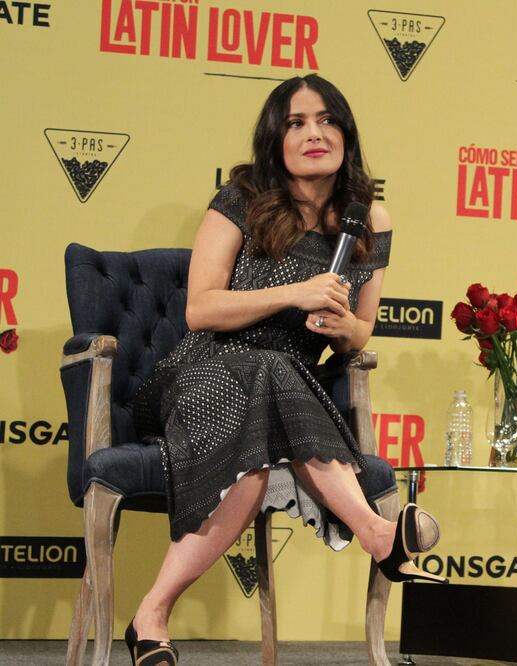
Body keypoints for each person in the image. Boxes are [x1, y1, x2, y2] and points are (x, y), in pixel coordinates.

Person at [128, 74, 443, 666]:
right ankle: (378, 535)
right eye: (296, 123)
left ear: (346, 133)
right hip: (201, 372)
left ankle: (151, 615)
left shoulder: (370, 218)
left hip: (288, 388)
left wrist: (340, 324)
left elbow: (364, 329)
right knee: (265, 368)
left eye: (326, 120)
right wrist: (295, 294)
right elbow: (200, 309)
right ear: (275, 140)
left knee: (258, 437)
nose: (313, 134)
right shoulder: (242, 199)